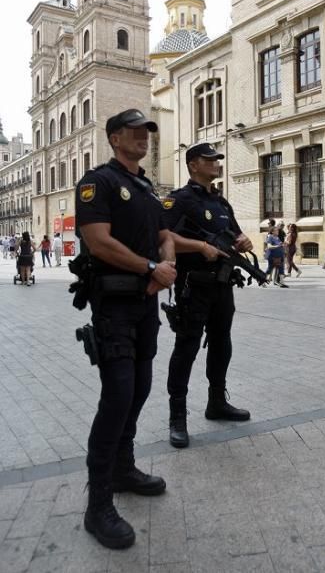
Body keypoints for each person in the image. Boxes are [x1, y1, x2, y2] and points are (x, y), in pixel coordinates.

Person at [75, 108, 177, 550]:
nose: (144, 138)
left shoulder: (146, 188)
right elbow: (97, 241)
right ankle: (98, 504)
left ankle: (123, 468)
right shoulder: (98, 182)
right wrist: (152, 268)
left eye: (148, 132)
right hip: (115, 306)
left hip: (146, 304)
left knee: (139, 388)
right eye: (135, 132)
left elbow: (164, 234)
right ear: (115, 137)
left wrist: (165, 262)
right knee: (116, 395)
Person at [162, 142, 252, 450]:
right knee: (186, 347)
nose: (216, 163)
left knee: (221, 342)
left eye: (217, 159)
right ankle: (177, 417)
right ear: (193, 165)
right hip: (193, 285)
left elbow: (236, 234)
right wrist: (199, 247)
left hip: (222, 284)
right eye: (209, 159)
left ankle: (217, 402)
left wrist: (243, 241)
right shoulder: (179, 200)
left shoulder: (221, 202)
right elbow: (164, 236)